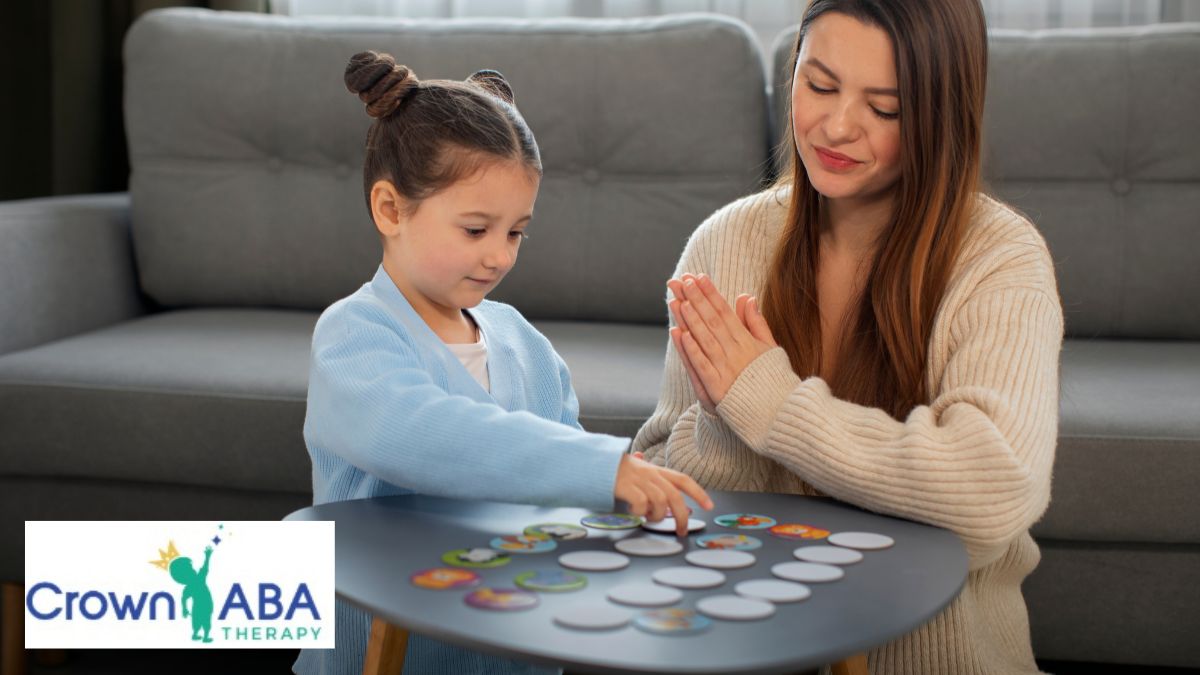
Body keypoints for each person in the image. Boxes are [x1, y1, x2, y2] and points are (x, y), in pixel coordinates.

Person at [633, 1, 1063, 673]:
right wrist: (724, 424)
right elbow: (659, 494)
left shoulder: (1000, 258)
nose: (836, 126)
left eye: (885, 108)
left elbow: (994, 491)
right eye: (820, 84)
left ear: (941, 116)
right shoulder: (726, 242)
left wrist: (770, 404)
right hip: (751, 651)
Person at [295, 51, 712, 675]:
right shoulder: (353, 336)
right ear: (390, 210)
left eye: (515, 232)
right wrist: (601, 468)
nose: (499, 257)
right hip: (391, 655)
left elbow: (564, 474)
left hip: (516, 643)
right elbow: (428, 435)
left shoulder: (522, 340)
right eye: (475, 230)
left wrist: (632, 501)